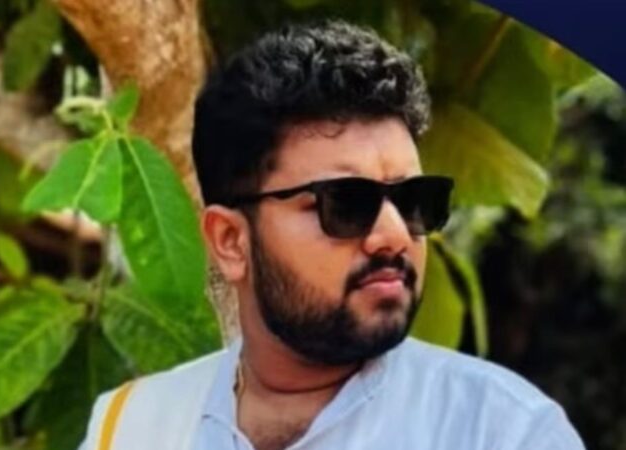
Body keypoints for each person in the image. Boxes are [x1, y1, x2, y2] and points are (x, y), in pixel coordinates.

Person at [79, 20, 585, 450]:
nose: (394, 236)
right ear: (231, 241)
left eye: (414, 200)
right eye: (346, 203)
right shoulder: (131, 429)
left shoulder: (501, 432)